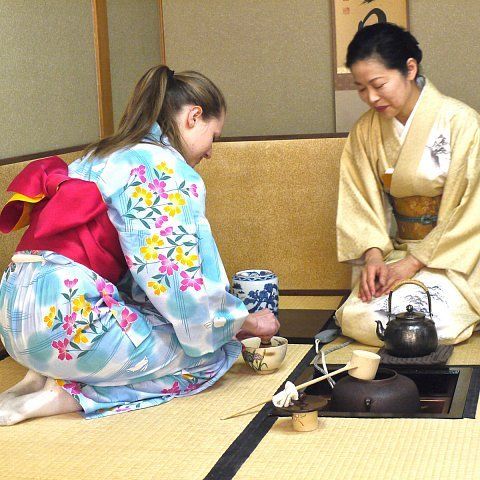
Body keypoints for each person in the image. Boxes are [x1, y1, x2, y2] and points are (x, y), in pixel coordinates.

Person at [0, 65, 279, 425]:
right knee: (212, 355)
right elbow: (176, 281)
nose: (211, 152)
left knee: (176, 331)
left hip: (13, 317)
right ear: (194, 116)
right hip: (66, 321)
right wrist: (241, 322)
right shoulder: (162, 168)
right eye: (214, 136)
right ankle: (69, 396)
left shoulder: (101, 154)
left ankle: (50, 372)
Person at [335, 23, 480, 346]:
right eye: (361, 88)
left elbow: (473, 209)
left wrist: (414, 263)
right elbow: (359, 201)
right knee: (362, 318)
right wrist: (374, 257)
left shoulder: (462, 123)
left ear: (410, 69)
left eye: (378, 84)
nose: (371, 97)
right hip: (397, 253)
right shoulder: (365, 131)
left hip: (455, 258)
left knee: (433, 321)